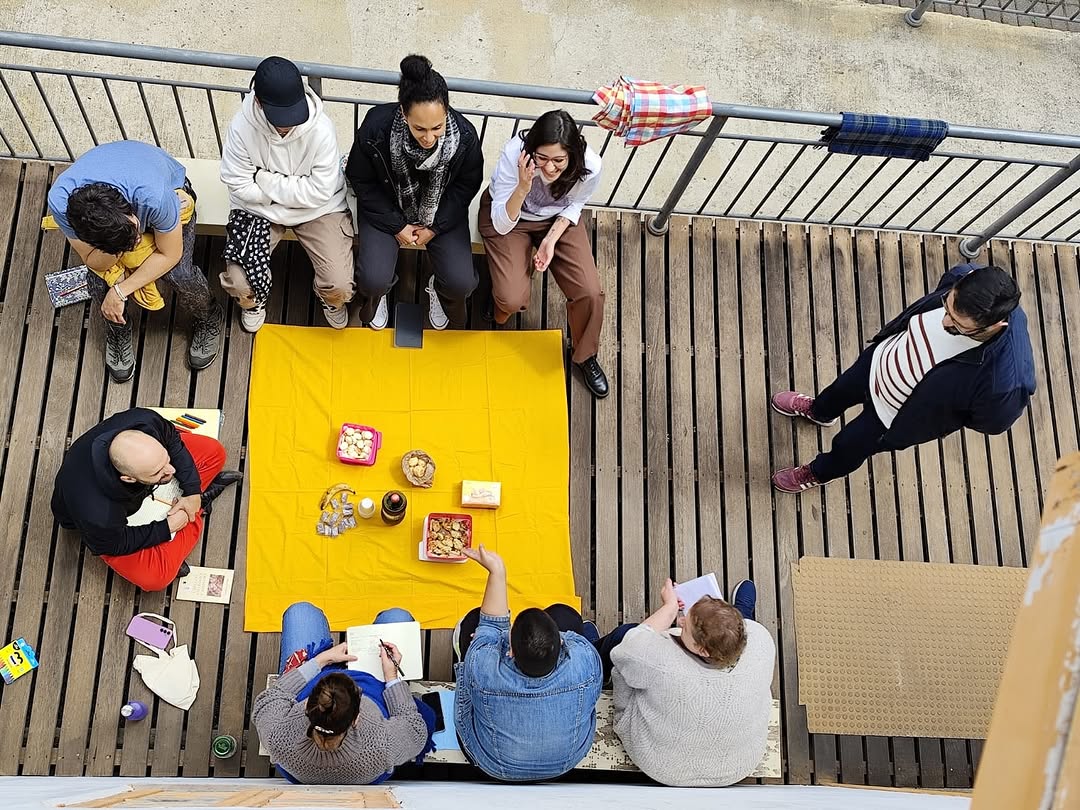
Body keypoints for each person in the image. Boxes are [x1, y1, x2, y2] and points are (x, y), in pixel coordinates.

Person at [771, 263, 1035, 493]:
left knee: (848, 446)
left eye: (958, 326)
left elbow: (992, 422)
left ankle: (819, 472)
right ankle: (819, 411)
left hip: (892, 417)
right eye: (947, 308)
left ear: (993, 326)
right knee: (838, 391)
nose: (945, 322)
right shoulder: (965, 277)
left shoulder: (1005, 382)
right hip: (878, 361)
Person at [46, 140, 223, 383]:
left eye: (135, 232)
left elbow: (170, 254)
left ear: (129, 210)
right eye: (130, 242)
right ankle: (118, 328)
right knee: (97, 283)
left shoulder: (154, 197)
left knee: (179, 274)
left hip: (173, 196)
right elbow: (91, 259)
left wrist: (120, 290)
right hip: (114, 233)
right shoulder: (60, 203)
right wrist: (115, 262)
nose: (138, 241)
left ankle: (209, 314)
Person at [345, 54, 483, 331]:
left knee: (461, 283)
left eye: (437, 127)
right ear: (403, 113)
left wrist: (436, 226)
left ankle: (438, 288)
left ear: (447, 112)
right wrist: (397, 225)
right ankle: (381, 292)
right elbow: (360, 178)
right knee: (372, 279)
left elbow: (467, 185)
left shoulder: (465, 137)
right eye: (419, 128)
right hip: (388, 209)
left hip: (440, 213)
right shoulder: (376, 127)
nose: (429, 138)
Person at [595, 578, 775, 787]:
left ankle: (594, 652)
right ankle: (740, 612)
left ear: (703, 650)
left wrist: (670, 608)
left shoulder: (657, 661)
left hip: (660, 764)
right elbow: (747, 631)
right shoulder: (761, 642)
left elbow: (628, 647)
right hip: (735, 767)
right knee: (736, 627)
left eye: (685, 626)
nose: (679, 622)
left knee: (622, 634)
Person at [219, 56, 355, 332]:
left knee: (339, 284)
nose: (287, 125)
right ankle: (253, 302)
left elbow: (320, 191)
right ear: (259, 102)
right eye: (280, 118)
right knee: (238, 281)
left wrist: (264, 179)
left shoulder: (321, 129)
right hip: (259, 211)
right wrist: (291, 190)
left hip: (319, 209)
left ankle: (330, 300)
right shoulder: (241, 128)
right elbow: (237, 184)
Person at [479, 110, 608, 399]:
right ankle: (500, 305)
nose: (549, 169)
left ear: (572, 154)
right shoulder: (515, 154)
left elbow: (576, 205)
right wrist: (524, 185)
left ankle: (584, 354)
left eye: (559, 161)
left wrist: (550, 239)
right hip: (511, 215)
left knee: (589, 290)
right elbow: (501, 221)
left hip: (557, 220)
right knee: (510, 297)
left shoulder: (590, 165)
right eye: (543, 158)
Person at [453, 545, 602, 782]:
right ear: (560, 641)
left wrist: (497, 572)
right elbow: (577, 639)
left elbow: (490, 626)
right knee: (566, 614)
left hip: (492, 760)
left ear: (510, 651)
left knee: (473, 623)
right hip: (563, 761)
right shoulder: (584, 661)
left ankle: (461, 649)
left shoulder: (482, 667)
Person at [50, 408, 241, 591]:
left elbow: (173, 442)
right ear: (129, 479)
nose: (171, 470)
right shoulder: (98, 512)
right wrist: (169, 527)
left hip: (137, 494)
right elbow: (112, 544)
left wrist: (191, 491)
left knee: (214, 452)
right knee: (156, 578)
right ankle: (197, 510)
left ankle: (193, 507)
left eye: (166, 459)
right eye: (158, 471)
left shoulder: (145, 420)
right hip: (107, 528)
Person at [251, 602, 434, 784]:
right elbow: (414, 728)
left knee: (300, 612)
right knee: (397, 616)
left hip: (325, 669)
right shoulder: (382, 746)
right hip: (377, 678)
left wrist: (322, 659)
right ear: (356, 719)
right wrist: (391, 676)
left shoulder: (278, 738)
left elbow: (271, 698)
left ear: (307, 706)